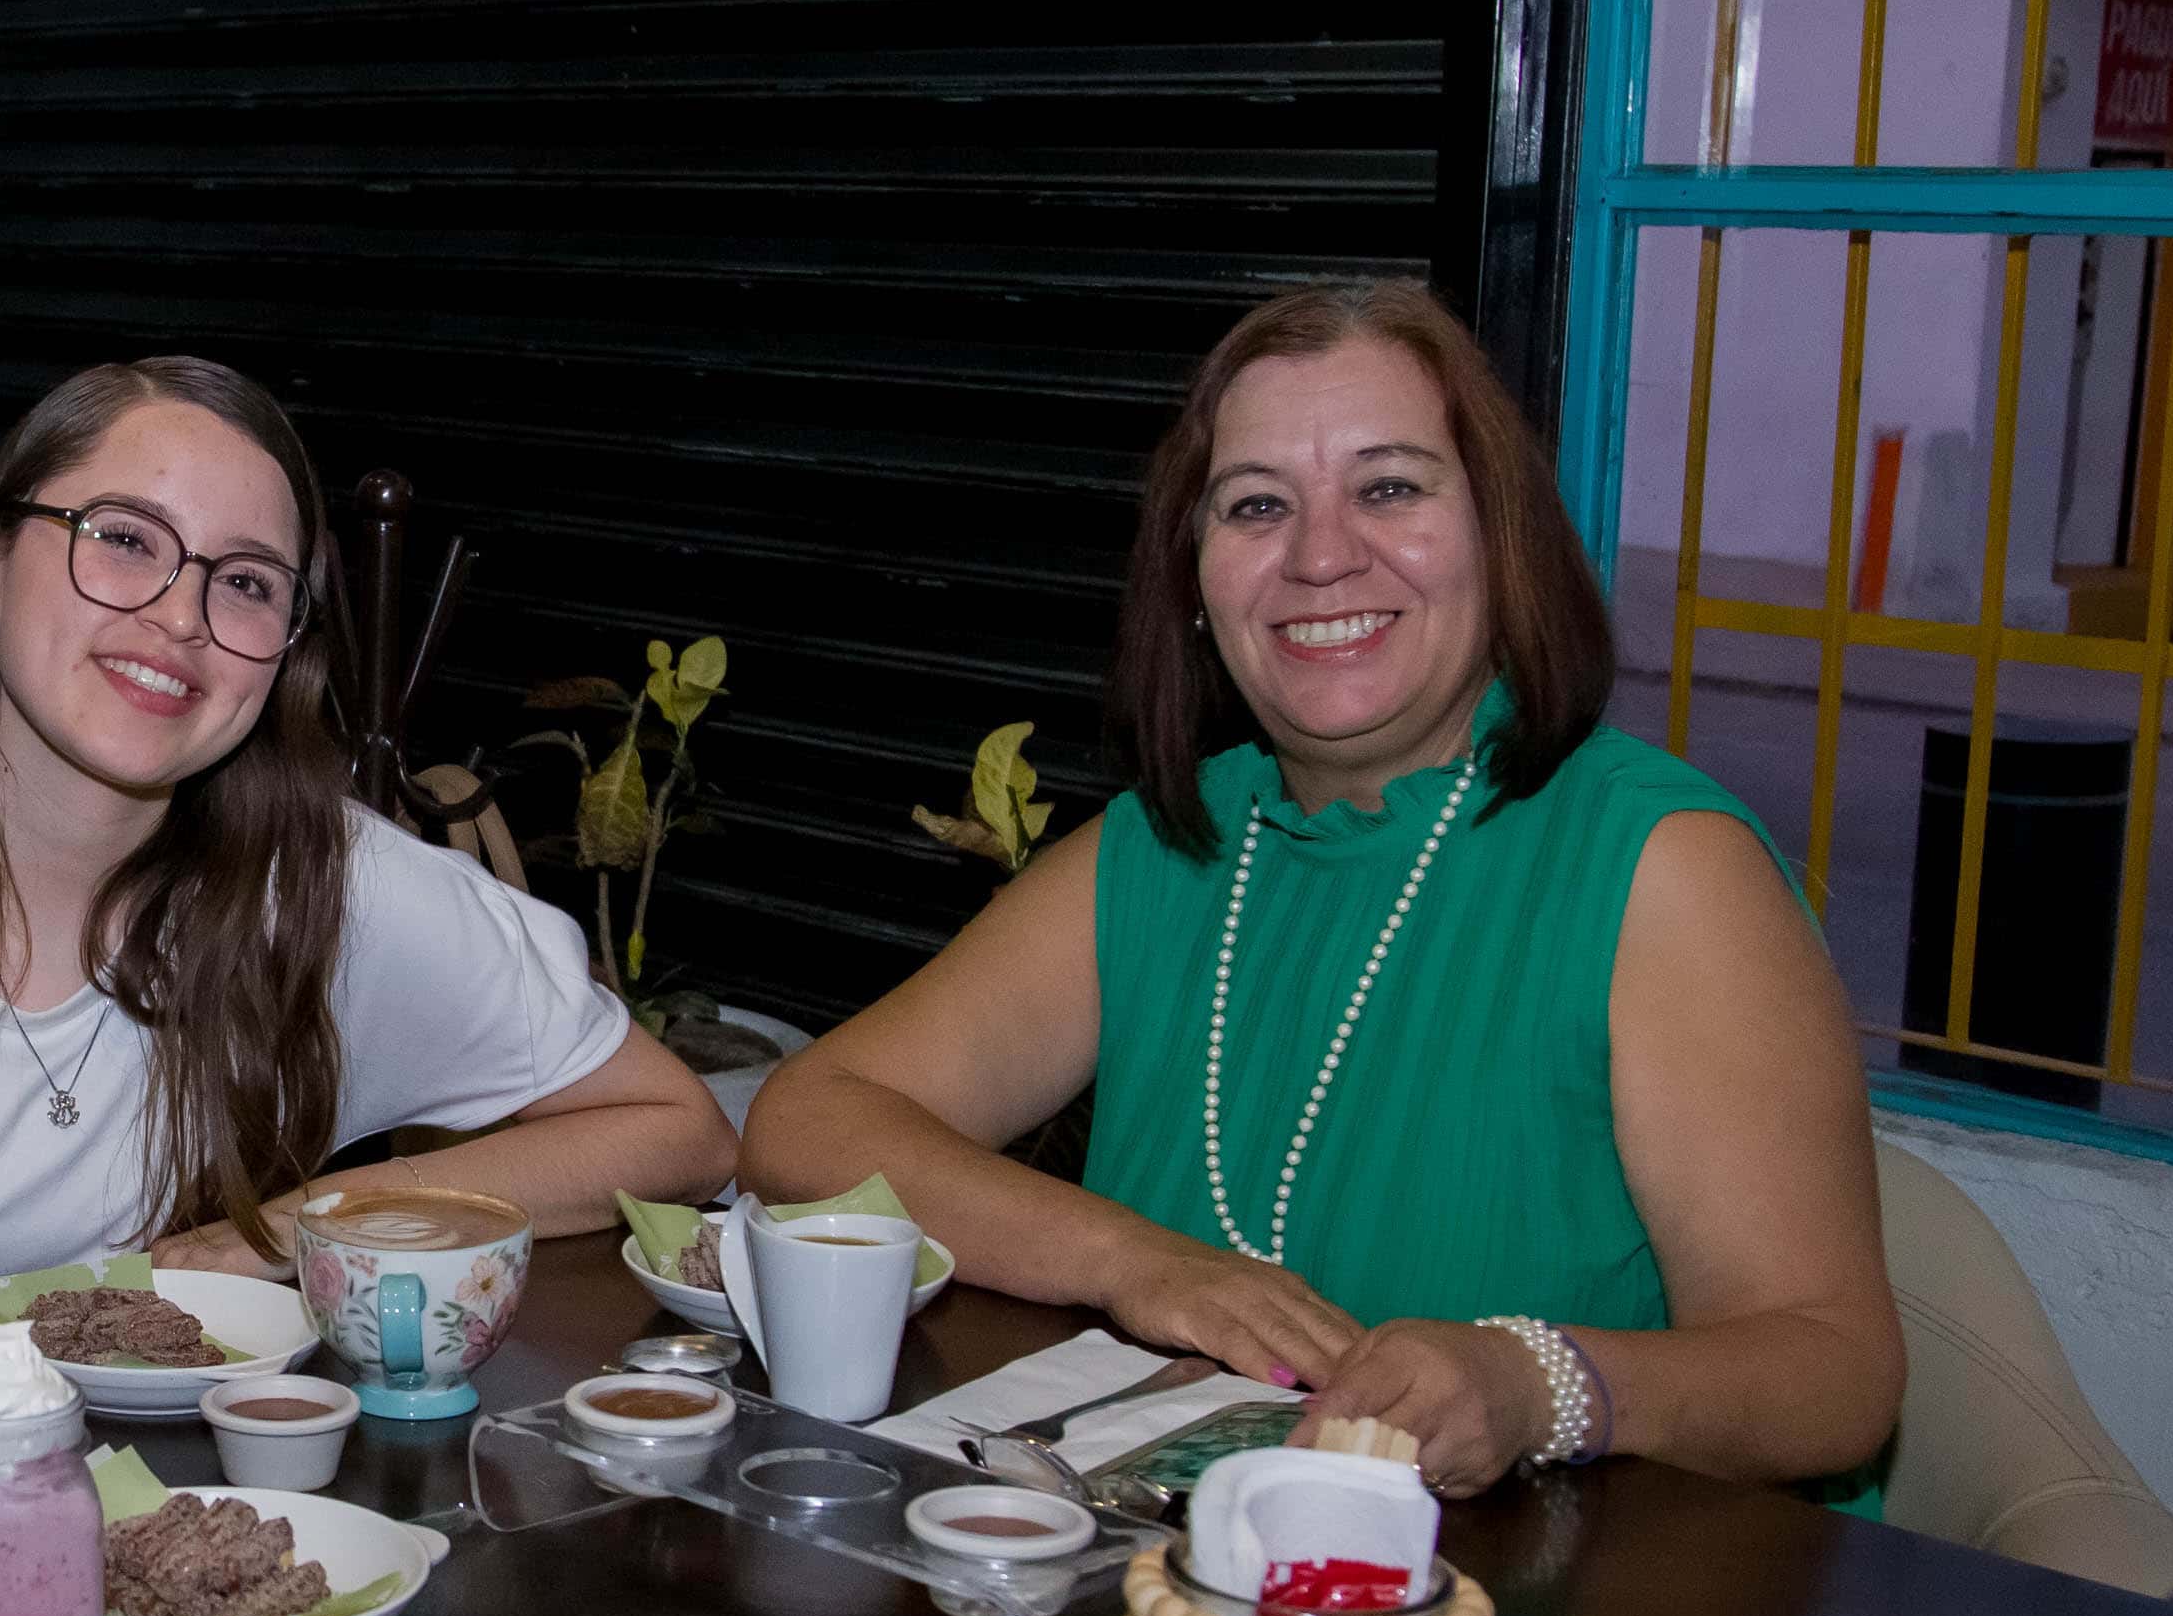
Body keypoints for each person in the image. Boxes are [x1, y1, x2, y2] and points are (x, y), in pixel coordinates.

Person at [743, 280, 1898, 1497]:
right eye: (1256, 506)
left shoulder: (1661, 867)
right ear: (1195, 584)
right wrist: (1134, 1262)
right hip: (1188, 1606)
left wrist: (1533, 1381)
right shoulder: (1162, 848)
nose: (1323, 554)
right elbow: (808, 1122)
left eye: (1390, 487)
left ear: (1503, 536)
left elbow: (1831, 1377)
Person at [0, 356, 736, 1431]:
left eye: (248, 583)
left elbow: (675, 1130)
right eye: (123, 538)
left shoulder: (319, 891)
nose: (179, 617)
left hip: (152, 1542)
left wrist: (278, 1231)